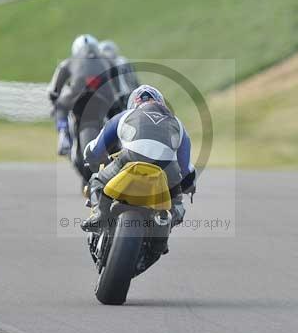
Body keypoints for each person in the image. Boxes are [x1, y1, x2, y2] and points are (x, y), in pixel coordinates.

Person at [81, 85, 197, 253]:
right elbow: (186, 168)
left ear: (133, 104)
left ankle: (99, 216)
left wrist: (91, 159)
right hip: (167, 168)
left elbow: (94, 149)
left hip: (130, 158)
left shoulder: (125, 115)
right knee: (177, 205)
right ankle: (163, 232)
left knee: (96, 181)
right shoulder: (177, 123)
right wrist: (189, 186)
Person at [47, 34, 118, 183]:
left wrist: (55, 102)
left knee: (60, 106)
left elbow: (53, 90)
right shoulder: (108, 61)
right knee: (118, 112)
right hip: (104, 97)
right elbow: (119, 85)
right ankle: (120, 139)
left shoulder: (68, 62)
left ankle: (63, 135)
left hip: (77, 96)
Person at [99, 40, 140, 112]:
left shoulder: (102, 67)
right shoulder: (123, 60)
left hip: (120, 100)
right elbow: (135, 82)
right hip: (132, 97)